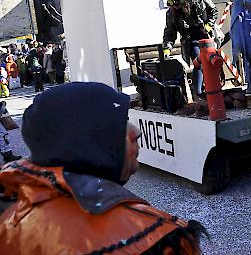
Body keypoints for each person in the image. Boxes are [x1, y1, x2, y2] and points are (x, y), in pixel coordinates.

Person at [0, 82, 206, 254]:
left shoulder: (12, 213)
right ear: (86, 145)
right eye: (119, 124)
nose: (136, 132)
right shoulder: (156, 238)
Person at [162, 0, 220, 101]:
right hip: (190, 40)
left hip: (206, 37)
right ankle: (197, 95)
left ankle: (214, 91)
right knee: (199, 63)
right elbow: (170, 32)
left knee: (212, 65)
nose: (175, 8)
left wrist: (208, 26)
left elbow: (213, 10)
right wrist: (167, 49)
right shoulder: (171, 13)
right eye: (173, 6)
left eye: (177, 5)